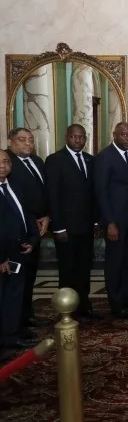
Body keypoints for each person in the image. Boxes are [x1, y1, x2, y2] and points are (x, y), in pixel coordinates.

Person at [45, 124, 101, 319]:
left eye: (81, 137)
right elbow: (53, 196)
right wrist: (57, 227)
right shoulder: (55, 160)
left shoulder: (90, 160)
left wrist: (95, 223)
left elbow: (93, 194)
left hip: (86, 226)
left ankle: (84, 307)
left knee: (84, 269)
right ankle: (66, 310)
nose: (78, 140)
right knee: (67, 270)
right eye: (74, 137)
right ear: (66, 137)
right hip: (66, 228)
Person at [95, 122, 128, 319]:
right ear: (115, 135)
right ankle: (115, 302)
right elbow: (101, 192)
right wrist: (109, 222)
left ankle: (127, 296)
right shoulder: (105, 157)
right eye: (124, 135)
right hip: (115, 221)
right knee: (115, 262)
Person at [6, 127, 49, 330]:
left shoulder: (37, 161)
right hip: (20, 229)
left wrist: (46, 216)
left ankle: (27, 315)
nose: (27, 144)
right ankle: (17, 324)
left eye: (30, 140)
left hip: (37, 228)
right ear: (10, 143)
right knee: (17, 280)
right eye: (22, 140)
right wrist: (34, 219)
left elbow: (43, 192)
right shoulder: (8, 165)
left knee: (30, 275)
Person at [0, 149, 39, 356]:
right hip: (3, 257)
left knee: (15, 296)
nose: (3, 166)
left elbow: (27, 215)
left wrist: (32, 239)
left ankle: (12, 336)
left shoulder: (14, 186)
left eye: (6, 161)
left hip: (19, 251)